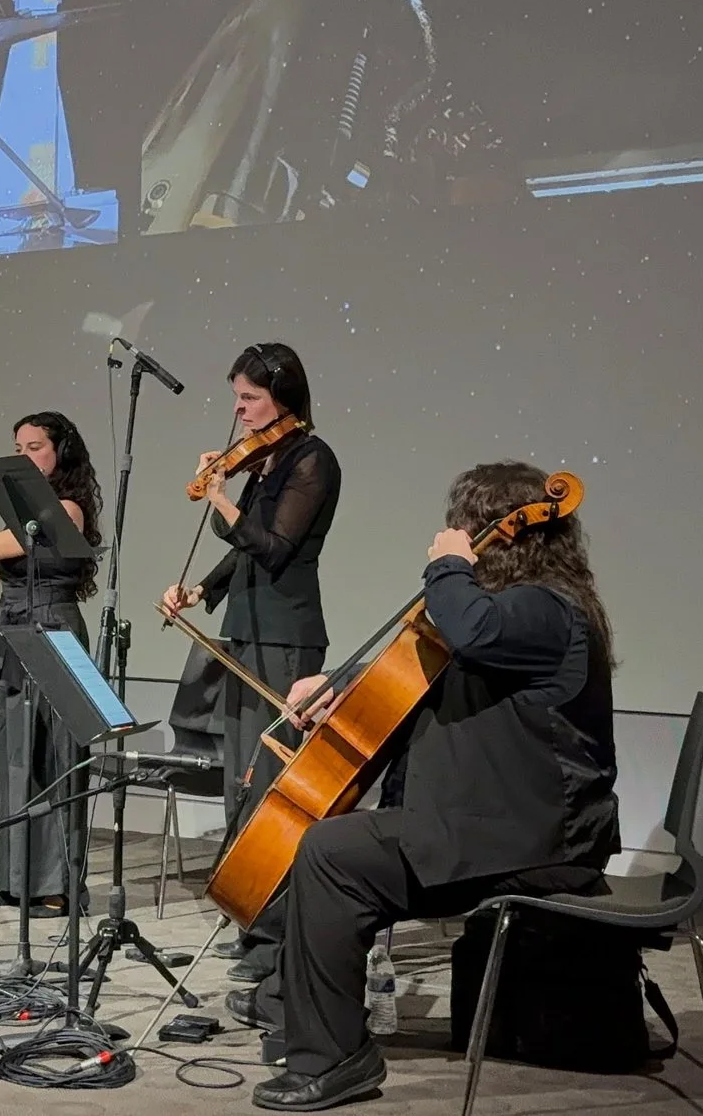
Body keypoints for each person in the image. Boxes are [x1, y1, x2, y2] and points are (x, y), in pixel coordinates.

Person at [231, 461, 618, 1112]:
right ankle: (311, 1029)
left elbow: (470, 629)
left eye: (462, 526)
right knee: (335, 850)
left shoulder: (549, 609)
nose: (450, 537)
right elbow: (433, 671)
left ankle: (333, 1057)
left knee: (330, 853)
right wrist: (341, 687)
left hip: (534, 841)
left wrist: (448, 564)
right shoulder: (520, 613)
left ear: (499, 532)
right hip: (498, 826)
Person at [161, 342, 338, 983]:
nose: (237, 411)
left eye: (249, 399)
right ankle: (254, 928)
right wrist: (201, 590)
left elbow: (275, 547)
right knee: (242, 780)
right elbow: (241, 556)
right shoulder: (264, 462)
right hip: (246, 633)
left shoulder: (312, 459)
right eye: (236, 398)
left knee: (271, 789)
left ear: (283, 397)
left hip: (287, 640)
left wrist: (221, 498)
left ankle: (278, 940)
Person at [0, 411, 103, 913]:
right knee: (11, 759)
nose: (23, 456)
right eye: (17, 447)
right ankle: (14, 879)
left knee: (53, 759)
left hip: (52, 632)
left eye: (35, 447)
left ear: (60, 453)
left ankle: (55, 885)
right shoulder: (19, 517)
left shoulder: (66, 507)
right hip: (12, 630)